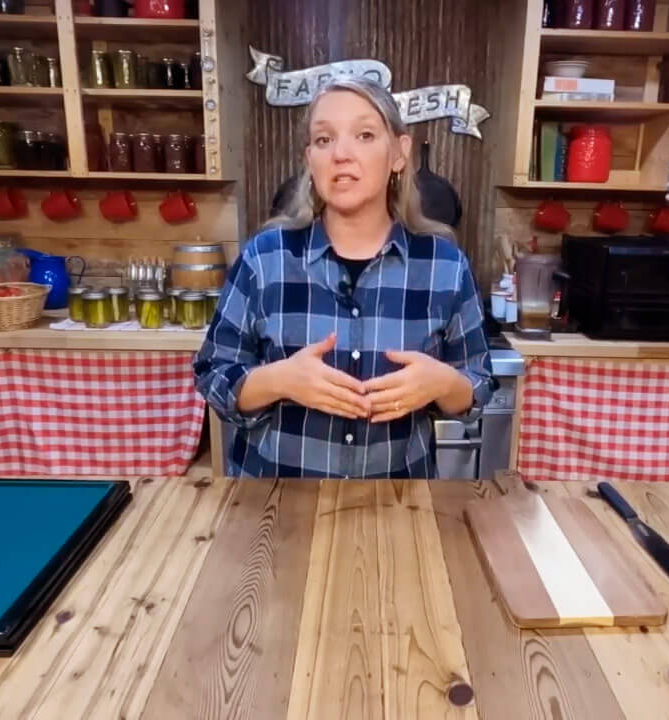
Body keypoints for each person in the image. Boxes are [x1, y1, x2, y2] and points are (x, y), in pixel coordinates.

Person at [193, 77, 492, 478]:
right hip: (274, 516)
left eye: (365, 134)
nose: (341, 154)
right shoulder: (264, 259)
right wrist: (279, 380)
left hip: (398, 509)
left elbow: (478, 387)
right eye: (323, 140)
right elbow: (213, 375)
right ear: (309, 159)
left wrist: (443, 384)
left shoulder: (446, 266)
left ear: (399, 154)